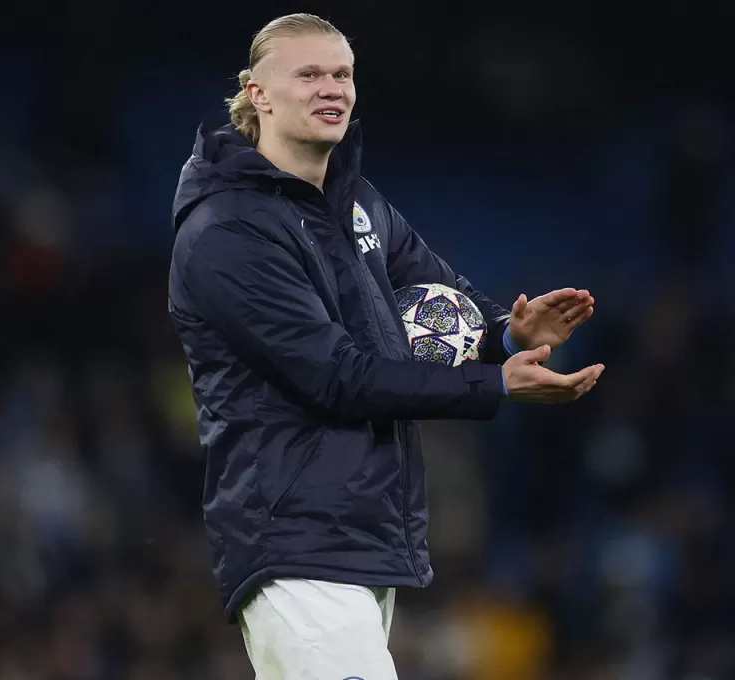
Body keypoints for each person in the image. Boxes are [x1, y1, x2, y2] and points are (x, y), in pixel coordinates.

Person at [166, 12, 605, 680]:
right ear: (257, 94)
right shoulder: (228, 232)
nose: (331, 88)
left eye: (341, 73)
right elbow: (339, 378)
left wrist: (508, 334)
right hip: (294, 541)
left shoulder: (356, 202)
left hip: (363, 537)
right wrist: (497, 384)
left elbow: (441, 293)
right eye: (308, 74)